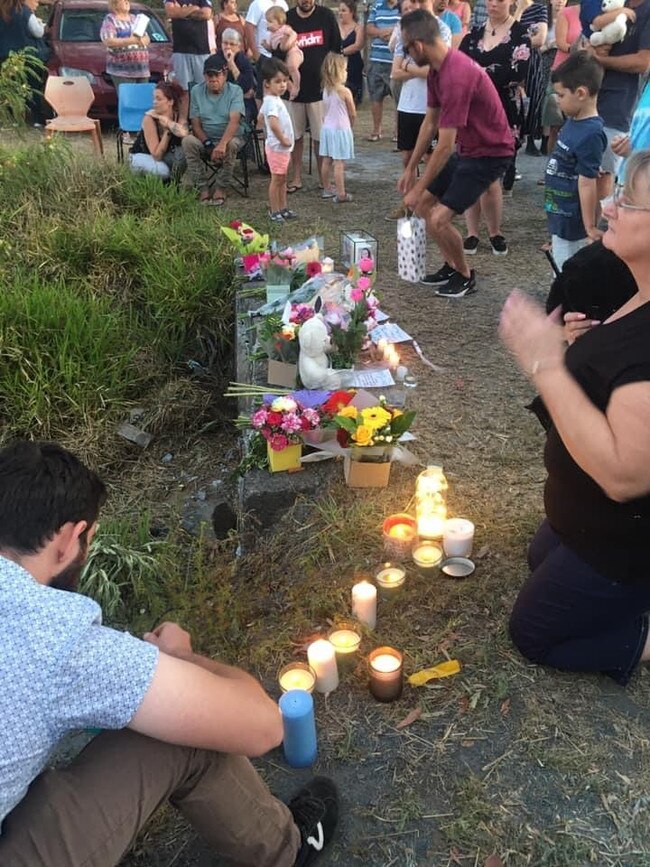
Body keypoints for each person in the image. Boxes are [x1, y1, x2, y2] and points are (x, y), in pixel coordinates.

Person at [0, 440, 339, 866]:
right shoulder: (53, 636)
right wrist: (183, 658)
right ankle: (287, 852)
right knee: (180, 735)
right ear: (69, 539)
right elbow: (266, 728)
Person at [499, 149, 650, 687]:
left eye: (627, 202)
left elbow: (622, 475)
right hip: (587, 520)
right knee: (541, 554)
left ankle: (641, 636)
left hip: (626, 538)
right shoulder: (631, 288)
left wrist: (543, 363)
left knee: (534, 631)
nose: (607, 206)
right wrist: (567, 352)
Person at [399, 9, 515, 296]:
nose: (405, 55)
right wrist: (409, 170)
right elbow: (430, 123)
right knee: (424, 205)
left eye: (405, 48)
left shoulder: (457, 75)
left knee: (438, 218)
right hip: (469, 148)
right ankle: (451, 265)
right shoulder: (436, 72)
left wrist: (419, 185)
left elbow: (445, 144)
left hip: (490, 152)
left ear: (418, 45)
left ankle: (465, 275)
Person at [459, 0, 531, 255]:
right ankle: (471, 233)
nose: (493, 3)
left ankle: (494, 231)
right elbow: (459, 69)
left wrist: (477, 75)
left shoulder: (521, 33)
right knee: (470, 169)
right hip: (471, 111)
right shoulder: (473, 34)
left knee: (492, 176)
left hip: (503, 111)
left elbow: (516, 72)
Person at [387, 0, 452, 221]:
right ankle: (410, 204)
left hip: (430, 103)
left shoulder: (441, 29)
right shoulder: (405, 30)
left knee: (430, 157)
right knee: (408, 156)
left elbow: (435, 69)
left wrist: (407, 66)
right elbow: (394, 72)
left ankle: (430, 203)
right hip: (408, 103)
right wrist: (416, 69)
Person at [544, 51, 606, 270]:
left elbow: (588, 181)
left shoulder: (591, 133)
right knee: (561, 267)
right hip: (561, 215)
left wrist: (589, 226)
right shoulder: (573, 121)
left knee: (569, 273)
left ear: (580, 93)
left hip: (574, 223)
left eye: (561, 95)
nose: (557, 100)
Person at [590, 0, 650, 197]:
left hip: (621, 102)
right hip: (592, 94)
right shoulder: (616, 3)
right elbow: (593, 26)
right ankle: (588, 224)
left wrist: (600, 60)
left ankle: (605, 223)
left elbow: (643, 62)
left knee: (605, 169)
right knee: (585, 168)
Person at [285, 0, 341, 193]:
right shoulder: (288, 18)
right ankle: (296, 178)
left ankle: (323, 180)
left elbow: (336, 51)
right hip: (293, 91)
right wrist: (287, 81)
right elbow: (277, 53)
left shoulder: (326, 16)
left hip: (319, 90)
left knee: (321, 137)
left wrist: (334, 82)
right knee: (295, 137)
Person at [182, 51, 245, 205]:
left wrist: (221, 144)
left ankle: (221, 187)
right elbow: (195, 123)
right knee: (188, 141)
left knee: (231, 145)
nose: (213, 79)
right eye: (209, 75)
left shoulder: (235, 91)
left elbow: (234, 121)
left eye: (216, 75)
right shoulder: (197, 91)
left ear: (225, 74)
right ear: (204, 76)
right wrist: (208, 144)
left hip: (231, 137)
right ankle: (202, 187)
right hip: (206, 139)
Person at [541, 0, 582, 156]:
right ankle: (551, 167)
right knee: (555, 125)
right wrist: (579, 50)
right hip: (561, 73)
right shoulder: (567, 12)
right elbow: (561, 43)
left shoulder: (599, 16)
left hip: (583, 76)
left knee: (578, 124)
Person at [259, 58, 296, 220]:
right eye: (278, 81)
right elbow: (273, 124)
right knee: (277, 180)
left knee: (282, 179)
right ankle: (275, 210)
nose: (283, 85)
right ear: (267, 83)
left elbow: (261, 116)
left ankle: (283, 207)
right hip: (277, 148)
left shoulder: (272, 100)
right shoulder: (272, 102)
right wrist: (283, 139)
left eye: (285, 81)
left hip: (280, 148)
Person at [164, 0, 213, 121]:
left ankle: (204, 122)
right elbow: (171, 12)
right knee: (183, 91)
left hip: (201, 50)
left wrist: (181, 12)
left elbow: (206, 14)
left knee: (203, 90)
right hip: (180, 50)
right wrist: (194, 9)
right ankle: (183, 122)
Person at [130, 79, 189, 179]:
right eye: (154, 98)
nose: (154, 102)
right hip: (142, 156)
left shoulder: (176, 116)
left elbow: (184, 133)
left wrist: (167, 122)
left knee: (181, 155)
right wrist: (167, 132)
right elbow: (156, 155)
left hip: (164, 157)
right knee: (163, 171)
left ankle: (174, 186)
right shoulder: (149, 118)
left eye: (159, 99)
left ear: (170, 101)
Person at [319, 51, 356, 201]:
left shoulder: (325, 91)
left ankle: (327, 188)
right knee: (339, 162)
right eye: (345, 69)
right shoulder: (345, 91)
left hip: (327, 128)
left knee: (327, 160)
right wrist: (351, 125)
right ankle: (341, 193)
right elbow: (352, 113)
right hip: (340, 129)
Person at [513, 0, 549, 154]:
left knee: (534, 97)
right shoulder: (507, 7)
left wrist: (517, 43)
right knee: (513, 99)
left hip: (532, 60)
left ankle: (531, 139)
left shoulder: (539, 9)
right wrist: (519, 10)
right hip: (511, 60)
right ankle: (514, 137)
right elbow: (506, 35)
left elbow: (540, 39)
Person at [365, 0, 401, 141]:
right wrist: (381, 33)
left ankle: (398, 132)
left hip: (396, 61)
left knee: (398, 99)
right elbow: (369, 28)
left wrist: (392, 34)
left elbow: (406, 26)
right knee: (376, 96)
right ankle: (376, 130)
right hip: (377, 60)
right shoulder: (377, 5)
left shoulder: (405, 5)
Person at [99, 0, 150, 93]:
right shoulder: (110, 19)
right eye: (123, 0)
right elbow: (108, 40)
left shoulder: (135, 19)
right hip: (122, 70)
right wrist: (131, 41)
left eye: (127, 1)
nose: (127, 2)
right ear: (115, 4)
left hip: (142, 69)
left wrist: (143, 40)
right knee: (128, 100)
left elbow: (147, 37)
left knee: (143, 100)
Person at [245, 0, 288, 104]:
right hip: (264, 55)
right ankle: (261, 118)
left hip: (279, 55)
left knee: (280, 89)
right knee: (263, 91)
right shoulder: (258, 3)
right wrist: (256, 53)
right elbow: (249, 26)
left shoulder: (283, 4)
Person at [263, 5, 304, 99]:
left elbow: (294, 34)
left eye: (270, 22)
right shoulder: (271, 36)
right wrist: (266, 46)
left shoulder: (284, 29)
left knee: (292, 66)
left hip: (294, 52)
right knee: (283, 73)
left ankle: (297, 86)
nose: (267, 24)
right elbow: (272, 49)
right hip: (284, 57)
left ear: (279, 22)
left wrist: (288, 44)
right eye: (267, 21)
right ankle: (292, 90)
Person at [221, 26, 257, 123]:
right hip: (220, 101)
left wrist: (231, 64)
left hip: (243, 103)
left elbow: (246, 87)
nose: (228, 47)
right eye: (225, 43)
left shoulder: (244, 61)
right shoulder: (215, 60)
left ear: (238, 46)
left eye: (232, 44)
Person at [339, 0, 364, 105]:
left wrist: (341, 52)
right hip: (339, 64)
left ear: (351, 12)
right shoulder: (335, 27)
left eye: (344, 11)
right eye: (340, 10)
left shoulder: (358, 28)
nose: (340, 13)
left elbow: (358, 45)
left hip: (354, 64)